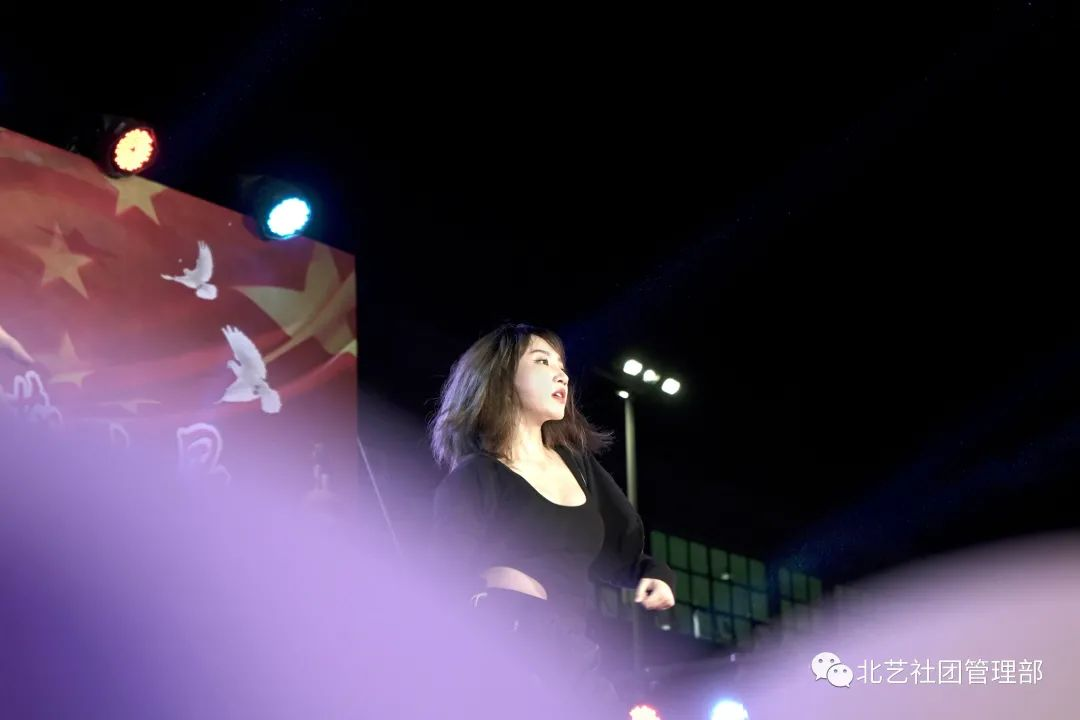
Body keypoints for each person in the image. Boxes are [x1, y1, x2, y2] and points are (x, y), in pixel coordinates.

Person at [429, 322, 676, 717]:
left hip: (572, 653)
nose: (561, 375)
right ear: (501, 378)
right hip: (505, 651)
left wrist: (654, 575)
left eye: (562, 366)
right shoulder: (476, 476)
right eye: (542, 362)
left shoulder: (579, 467)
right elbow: (440, 579)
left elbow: (622, 549)